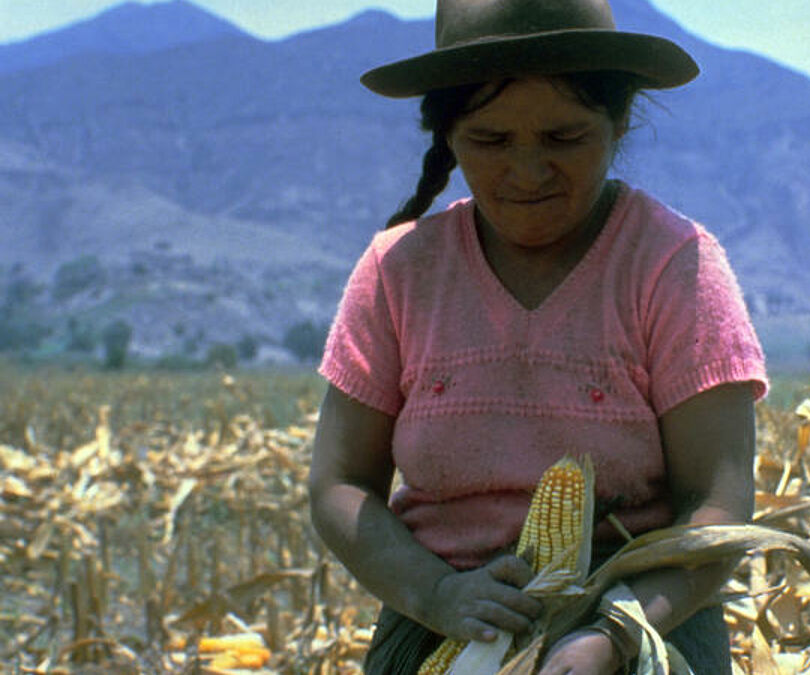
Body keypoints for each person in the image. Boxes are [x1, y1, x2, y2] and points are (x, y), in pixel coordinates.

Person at [308, 0, 768, 673]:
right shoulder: (400, 271)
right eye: (490, 141)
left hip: (641, 613)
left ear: (618, 123)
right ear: (447, 134)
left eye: (565, 137)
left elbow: (718, 507)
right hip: (443, 614)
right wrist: (438, 593)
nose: (527, 172)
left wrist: (615, 631)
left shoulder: (674, 266)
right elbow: (340, 483)